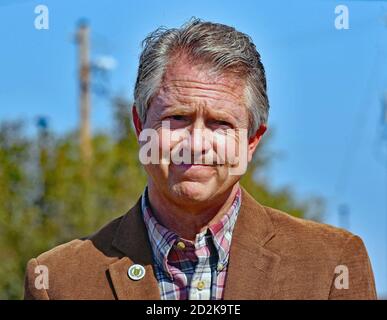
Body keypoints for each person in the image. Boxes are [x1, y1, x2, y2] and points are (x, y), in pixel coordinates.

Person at [24, 19, 376, 300]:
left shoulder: (330, 265)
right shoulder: (59, 281)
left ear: (252, 141)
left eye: (220, 123)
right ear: (139, 125)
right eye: (177, 117)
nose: (196, 142)